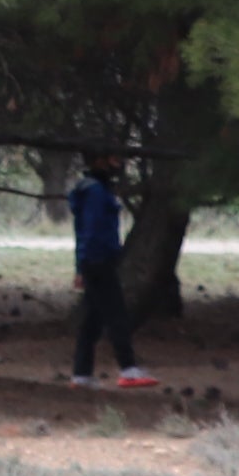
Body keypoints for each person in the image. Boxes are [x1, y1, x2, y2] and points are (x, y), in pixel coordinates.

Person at [68, 154, 157, 388]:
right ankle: (128, 369)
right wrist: (88, 262)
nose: (119, 164)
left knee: (92, 319)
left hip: (93, 261)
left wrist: (80, 265)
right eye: (113, 159)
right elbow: (91, 231)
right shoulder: (96, 193)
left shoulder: (93, 190)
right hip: (99, 261)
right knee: (116, 314)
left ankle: (81, 374)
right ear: (99, 161)